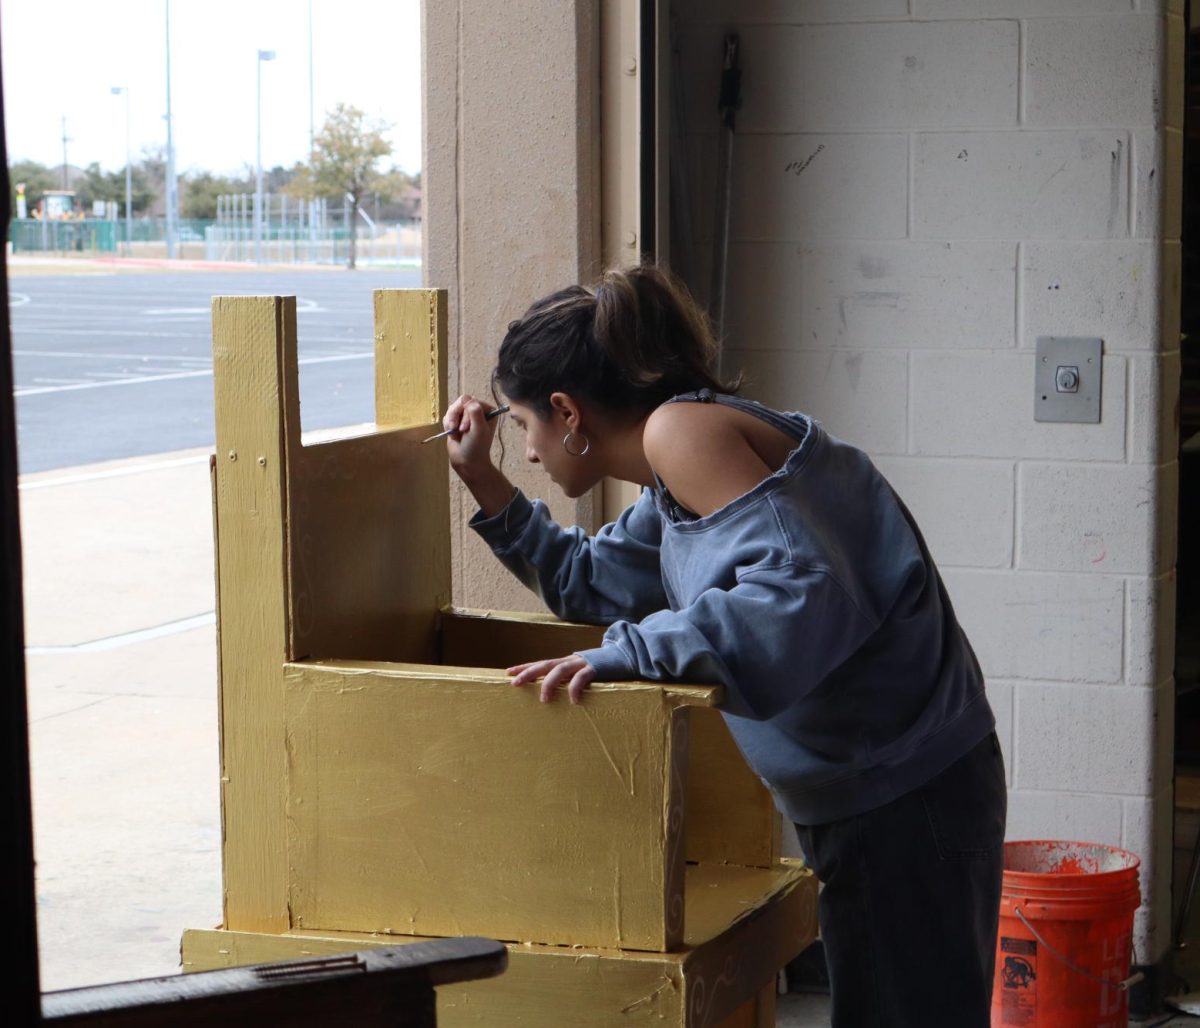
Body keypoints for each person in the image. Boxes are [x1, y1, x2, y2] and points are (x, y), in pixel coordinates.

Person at [440, 262, 1007, 1028]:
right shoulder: (677, 476)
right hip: (882, 793)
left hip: (904, 797)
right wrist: (483, 481)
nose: (530, 452)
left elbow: (798, 596)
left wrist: (628, 654)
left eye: (522, 425)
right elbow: (590, 581)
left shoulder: (684, 433)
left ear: (568, 411)